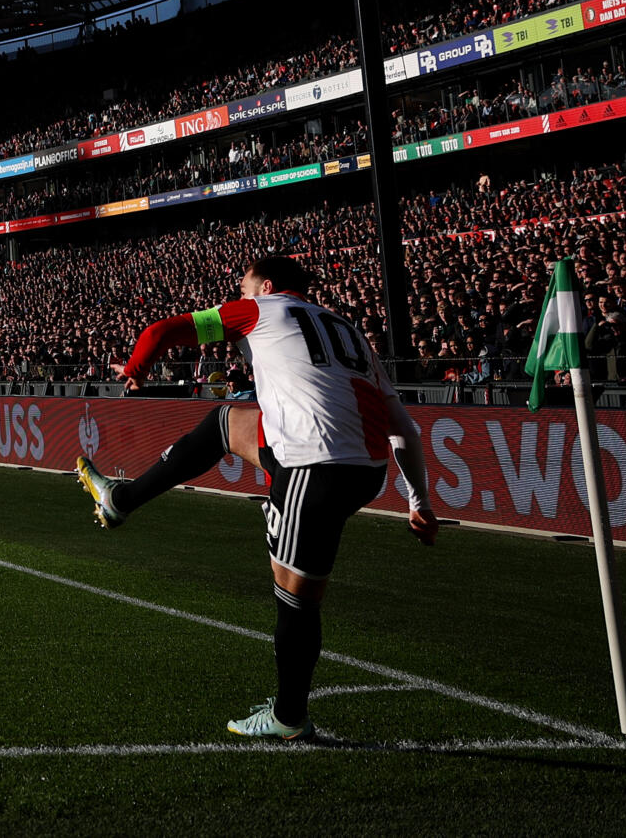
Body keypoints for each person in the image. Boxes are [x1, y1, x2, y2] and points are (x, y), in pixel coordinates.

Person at [72, 254, 436, 741]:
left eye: (243, 288)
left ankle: (288, 718)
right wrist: (420, 501)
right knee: (228, 422)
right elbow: (404, 428)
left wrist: (136, 368)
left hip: (316, 467)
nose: (239, 297)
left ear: (265, 286)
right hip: (362, 467)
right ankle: (122, 499)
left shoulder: (258, 310)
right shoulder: (348, 330)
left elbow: (161, 330)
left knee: (296, 599)